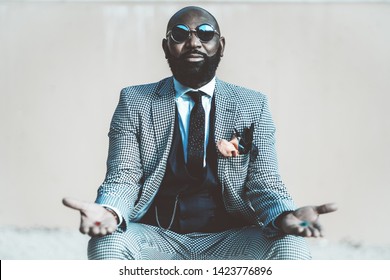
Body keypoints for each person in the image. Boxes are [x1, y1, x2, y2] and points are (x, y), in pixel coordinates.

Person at [63, 6, 337, 260]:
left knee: (291, 244)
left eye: (205, 34)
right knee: (107, 243)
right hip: (157, 237)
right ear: (166, 47)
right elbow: (123, 176)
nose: (194, 42)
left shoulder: (253, 105)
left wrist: (284, 215)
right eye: (180, 34)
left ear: (221, 45)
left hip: (231, 238)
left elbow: (265, 182)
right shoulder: (135, 101)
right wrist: (109, 211)